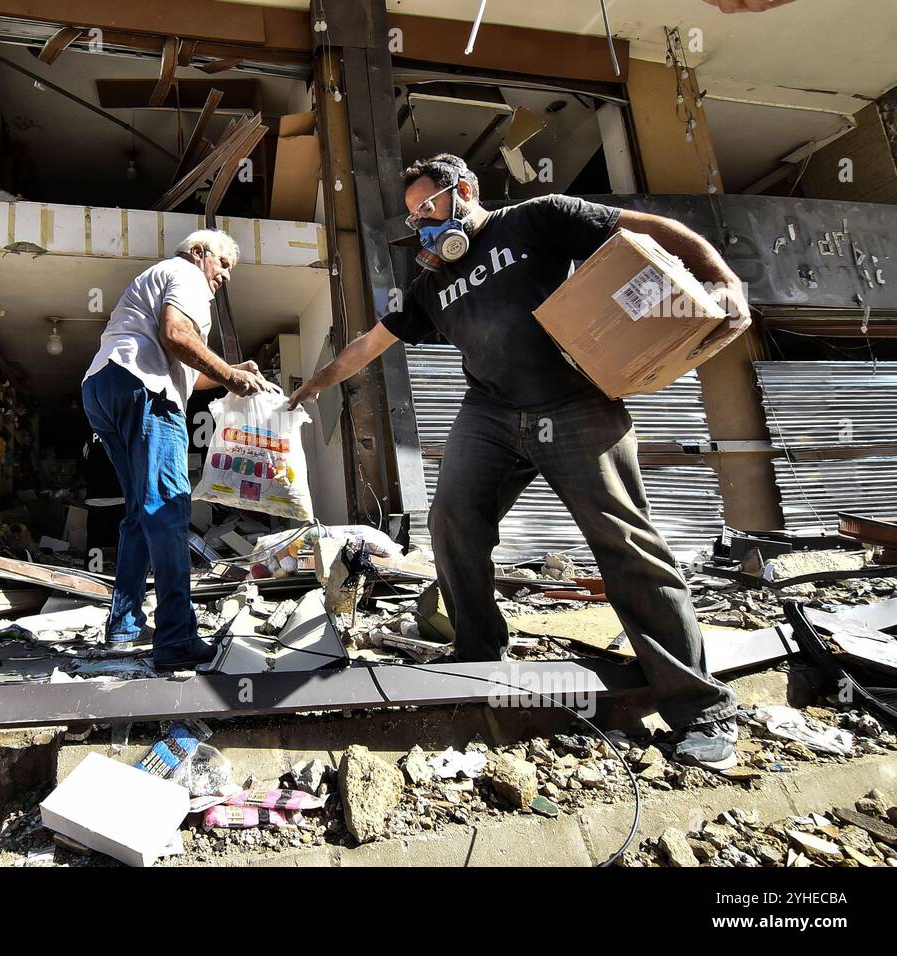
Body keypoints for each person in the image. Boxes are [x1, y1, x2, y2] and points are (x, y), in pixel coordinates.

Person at [288, 153, 751, 770]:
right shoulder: (430, 287)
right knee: (452, 520)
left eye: (428, 207)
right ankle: (479, 656)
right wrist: (316, 383)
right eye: (413, 216)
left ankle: (700, 707)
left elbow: (644, 228)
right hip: (491, 411)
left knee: (624, 542)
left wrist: (720, 276)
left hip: (575, 403)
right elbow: (370, 343)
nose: (422, 223)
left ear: (466, 191)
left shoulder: (537, 218)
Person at [82, 229, 274, 669]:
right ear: (200, 252)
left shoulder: (158, 278)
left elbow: (184, 366)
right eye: (223, 264)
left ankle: (125, 626)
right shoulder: (186, 273)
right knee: (168, 509)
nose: (226, 276)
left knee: (139, 515)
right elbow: (175, 335)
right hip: (146, 392)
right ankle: (176, 638)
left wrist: (228, 370)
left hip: (105, 387)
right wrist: (230, 375)